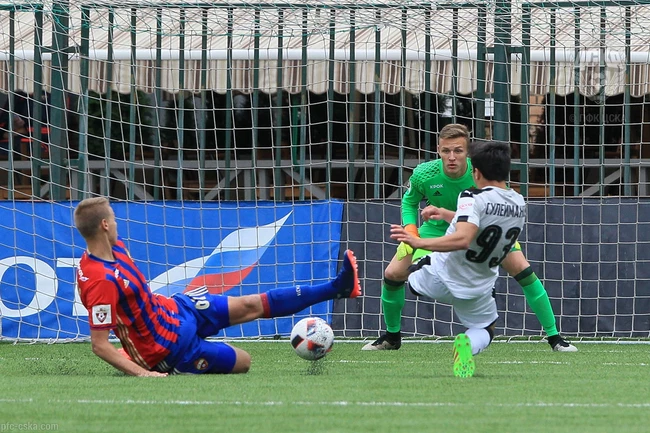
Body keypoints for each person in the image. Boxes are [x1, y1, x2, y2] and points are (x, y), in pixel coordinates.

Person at [74, 197, 361, 376]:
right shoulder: (100, 280)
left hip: (178, 309)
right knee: (244, 362)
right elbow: (100, 345)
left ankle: (337, 287)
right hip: (170, 350)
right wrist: (142, 372)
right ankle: (174, 361)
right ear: (105, 225)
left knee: (251, 304)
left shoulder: (117, 249)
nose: (117, 223)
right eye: (114, 219)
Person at [363, 123, 577, 352]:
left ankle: (555, 337)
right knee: (392, 274)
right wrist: (412, 230)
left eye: (458, 151)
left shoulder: (481, 174)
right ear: (438, 150)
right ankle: (392, 336)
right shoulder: (424, 173)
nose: (451, 157)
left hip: (480, 229)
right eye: (446, 151)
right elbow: (409, 202)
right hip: (436, 230)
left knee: (524, 271)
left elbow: (483, 215)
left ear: (468, 153)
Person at [390, 140, 526, 377]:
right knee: (486, 329)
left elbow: (463, 238)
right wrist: (445, 213)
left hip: (438, 277)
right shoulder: (518, 203)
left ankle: (391, 332)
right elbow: (482, 222)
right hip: (477, 287)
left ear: (476, 172)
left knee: (399, 275)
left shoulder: (470, 196)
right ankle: (467, 345)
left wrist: (419, 242)